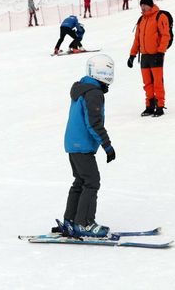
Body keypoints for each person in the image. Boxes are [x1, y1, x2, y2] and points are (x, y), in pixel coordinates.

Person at [58, 54, 116, 238]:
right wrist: (107, 146)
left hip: (72, 144)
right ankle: (84, 223)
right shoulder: (94, 93)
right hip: (82, 145)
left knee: (80, 182)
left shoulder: (82, 88)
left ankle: (71, 221)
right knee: (91, 182)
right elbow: (93, 123)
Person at [127, 0, 171, 117]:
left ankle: (160, 106)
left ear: (150, 5)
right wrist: (132, 55)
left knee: (157, 82)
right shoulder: (141, 20)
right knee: (147, 83)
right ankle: (150, 106)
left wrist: (161, 51)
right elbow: (137, 40)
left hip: (156, 55)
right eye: (141, 5)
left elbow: (165, 35)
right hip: (145, 56)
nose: (142, 7)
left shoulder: (160, 17)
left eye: (144, 5)